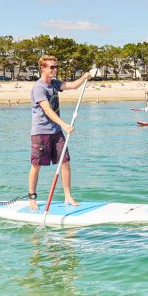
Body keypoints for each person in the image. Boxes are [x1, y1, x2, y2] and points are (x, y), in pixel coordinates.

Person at [28, 55, 91, 210]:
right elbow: (48, 110)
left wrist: (84, 77)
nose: (55, 70)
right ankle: (32, 198)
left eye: (56, 67)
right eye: (51, 67)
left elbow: (73, 86)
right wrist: (65, 125)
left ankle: (68, 196)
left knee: (65, 162)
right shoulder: (39, 88)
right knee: (36, 165)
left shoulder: (55, 84)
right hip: (41, 132)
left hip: (56, 132)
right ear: (43, 68)